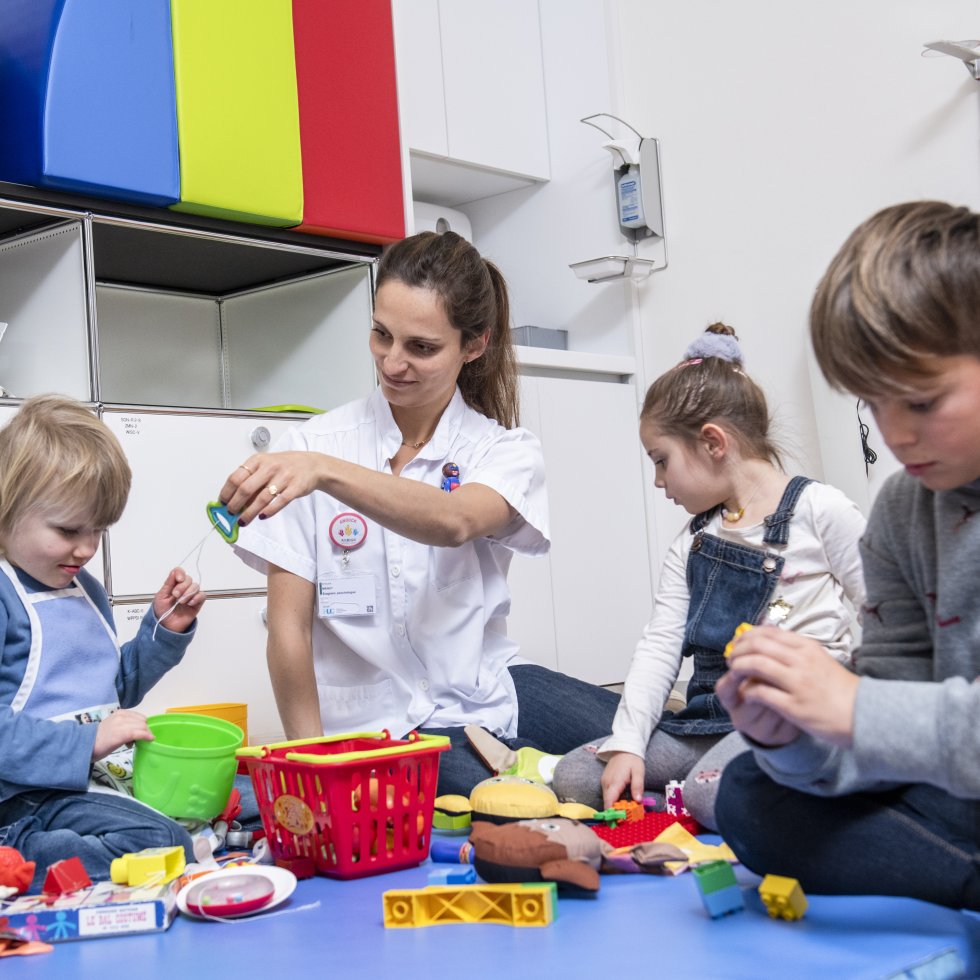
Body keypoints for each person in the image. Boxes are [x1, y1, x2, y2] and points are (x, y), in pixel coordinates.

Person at [218, 231, 620, 796]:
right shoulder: (310, 445)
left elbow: (453, 520)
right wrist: (312, 768)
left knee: (643, 739)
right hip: (373, 728)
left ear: (474, 345)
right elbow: (288, 629)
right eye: (382, 335)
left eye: (421, 347)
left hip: (485, 692)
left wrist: (325, 471)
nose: (392, 362)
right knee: (506, 797)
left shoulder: (501, 450)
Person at [715, 201, 980, 911]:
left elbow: (880, 712)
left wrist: (858, 707)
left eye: (921, 402)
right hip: (954, 807)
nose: (896, 436)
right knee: (748, 790)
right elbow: (895, 722)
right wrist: (796, 736)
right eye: (872, 404)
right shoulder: (902, 508)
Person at [551, 324, 867, 828]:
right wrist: (629, 743)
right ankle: (710, 788)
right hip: (708, 720)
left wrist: (861, 708)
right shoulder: (692, 541)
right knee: (578, 778)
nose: (658, 481)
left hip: (796, 721)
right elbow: (660, 645)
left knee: (707, 794)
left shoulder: (821, 509)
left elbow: (885, 610)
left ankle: (713, 790)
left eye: (662, 461)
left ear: (713, 442)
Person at [0, 395, 205, 891]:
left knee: (246, 792)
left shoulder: (84, 587)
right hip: (28, 797)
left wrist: (163, 629)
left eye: (99, 531)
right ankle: (18, 853)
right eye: (69, 530)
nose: (87, 548)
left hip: (96, 777)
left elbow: (113, 688)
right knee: (162, 838)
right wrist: (87, 742)